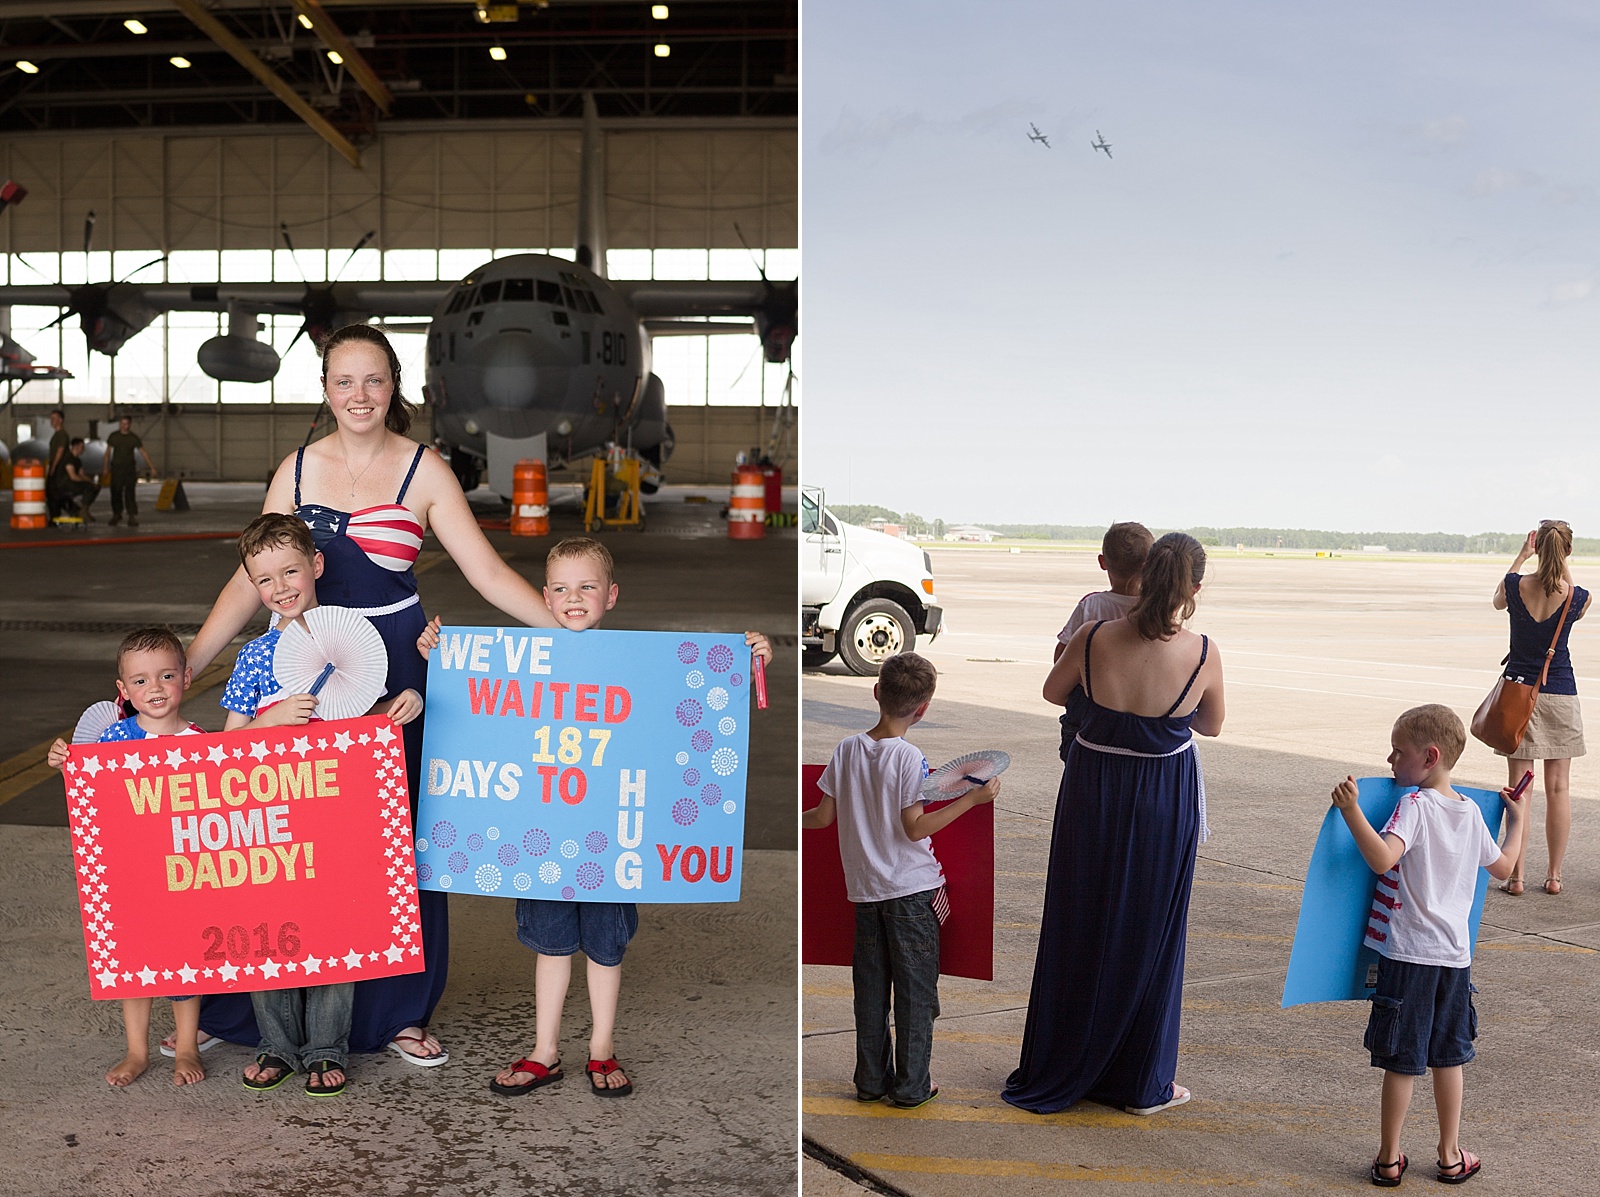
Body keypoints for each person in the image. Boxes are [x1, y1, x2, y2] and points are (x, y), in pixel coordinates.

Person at [182, 323, 561, 1067]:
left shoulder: (425, 470)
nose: (360, 394)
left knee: (402, 845)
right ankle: (258, 1011)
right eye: (344, 380)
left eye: (375, 379)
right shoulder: (293, 470)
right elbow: (248, 578)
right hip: (303, 673)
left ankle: (400, 1011)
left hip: (397, 672)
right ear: (325, 390)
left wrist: (578, 638)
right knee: (291, 847)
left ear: (395, 387)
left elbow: (485, 572)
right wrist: (184, 666)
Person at [419, 537, 773, 1098]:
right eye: (560, 588)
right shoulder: (520, 662)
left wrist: (746, 655)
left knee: (606, 950)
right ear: (544, 596)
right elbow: (475, 703)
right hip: (545, 845)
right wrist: (440, 650)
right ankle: (545, 1049)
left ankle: (602, 1047)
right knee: (551, 947)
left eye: (586, 586)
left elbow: (686, 695)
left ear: (611, 596)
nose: (573, 597)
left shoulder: (637, 664)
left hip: (613, 845)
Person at [1004, 532, 1224, 1116]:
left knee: (1079, 919)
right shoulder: (1203, 651)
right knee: (1152, 931)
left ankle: (1063, 1060)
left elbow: (1054, 691)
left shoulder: (1095, 634)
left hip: (1094, 785)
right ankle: (1137, 1080)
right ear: (1194, 589)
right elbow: (1212, 724)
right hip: (1161, 794)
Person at [219, 514, 421, 1097]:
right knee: (269, 930)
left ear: (317, 567)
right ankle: (276, 1043)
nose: (281, 587)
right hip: (271, 820)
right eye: (265, 580)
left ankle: (327, 1047)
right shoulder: (256, 658)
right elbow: (228, 746)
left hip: (336, 817)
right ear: (253, 588)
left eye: (291, 571)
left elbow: (365, 715)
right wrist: (268, 719)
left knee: (336, 929)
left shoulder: (354, 639)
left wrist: (400, 701)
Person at [1330, 705, 1524, 1186]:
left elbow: (1382, 859)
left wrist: (1352, 811)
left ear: (1430, 757)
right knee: (1448, 1057)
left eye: (1400, 752)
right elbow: (1502, 869)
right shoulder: (1472, 814)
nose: (1391, 759)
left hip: (1408, 956)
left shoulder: (1413, 807)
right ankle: (1450, 1154)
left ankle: (1390, 1157)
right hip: (1455, 960)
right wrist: (1519, 823)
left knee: (1402, 1061)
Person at [801, 651, 999, 1110]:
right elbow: (914, 827)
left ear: (876, 692)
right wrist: (972, 801)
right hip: (912, 893)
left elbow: (822, 815)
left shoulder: (846, 749)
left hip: (865, 893)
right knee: (916, 994)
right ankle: (911, 1087)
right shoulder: (910, 757)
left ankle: (870, 1081)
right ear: (924, 708)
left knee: (870, 992)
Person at [46, 627, 208, 1087]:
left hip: (183, 874)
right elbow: (89, 802)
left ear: (187, 677)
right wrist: (66, 762)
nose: (154, 688)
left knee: (185, 963)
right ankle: (137, 1050)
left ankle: (188, 1044)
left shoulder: (201, 744)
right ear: (123, 690)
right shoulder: (111, 741)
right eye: (139, 681)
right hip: (132, 875)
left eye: (165, 676)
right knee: (136, 962)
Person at [1491, 521, 1589, 896]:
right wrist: (1560, 561)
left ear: (1536, 545)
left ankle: (1515, 878)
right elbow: (1570, 594)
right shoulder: (1578, 596)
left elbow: (1497, 599)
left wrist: (1521, 556)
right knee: (1559, 788)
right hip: (1561, 695)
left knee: (1520, 791)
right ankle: (1553, 876)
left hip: (1519, 696)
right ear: (1566, 551)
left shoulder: (1516, 586)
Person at [1051, 521, 1152, 761]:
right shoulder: (1154, 607)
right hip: (1141, 705)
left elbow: (1061, 654)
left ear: (1102, 562)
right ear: (1150, 565)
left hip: (1088, 707)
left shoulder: (1091, 605)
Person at [105, 414, 154, 527]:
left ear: (130, 425)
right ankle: (117, 514)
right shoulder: (114, 436)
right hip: (116, 469)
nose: (123, 426)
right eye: (121, 423)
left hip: (129, 470)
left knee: (129, 493)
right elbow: (107, 453)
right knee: (115, 492)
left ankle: (131, 516)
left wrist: (152, 467)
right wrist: (105, 467)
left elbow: (143, 452)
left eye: (126, 424)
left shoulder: (133, 438)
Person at [48, 435, 99, 521]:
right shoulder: (68, 458)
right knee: (89, 487)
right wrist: (88, 483)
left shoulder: (77, 460)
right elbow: (73, 477)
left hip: (70, 483)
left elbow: (82, 474)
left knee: (94, 486)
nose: (83, 449)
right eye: (82, 447)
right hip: (64, 485)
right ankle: (83, 511)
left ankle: (84, 510)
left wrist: (92, 482)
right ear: (76, 446)